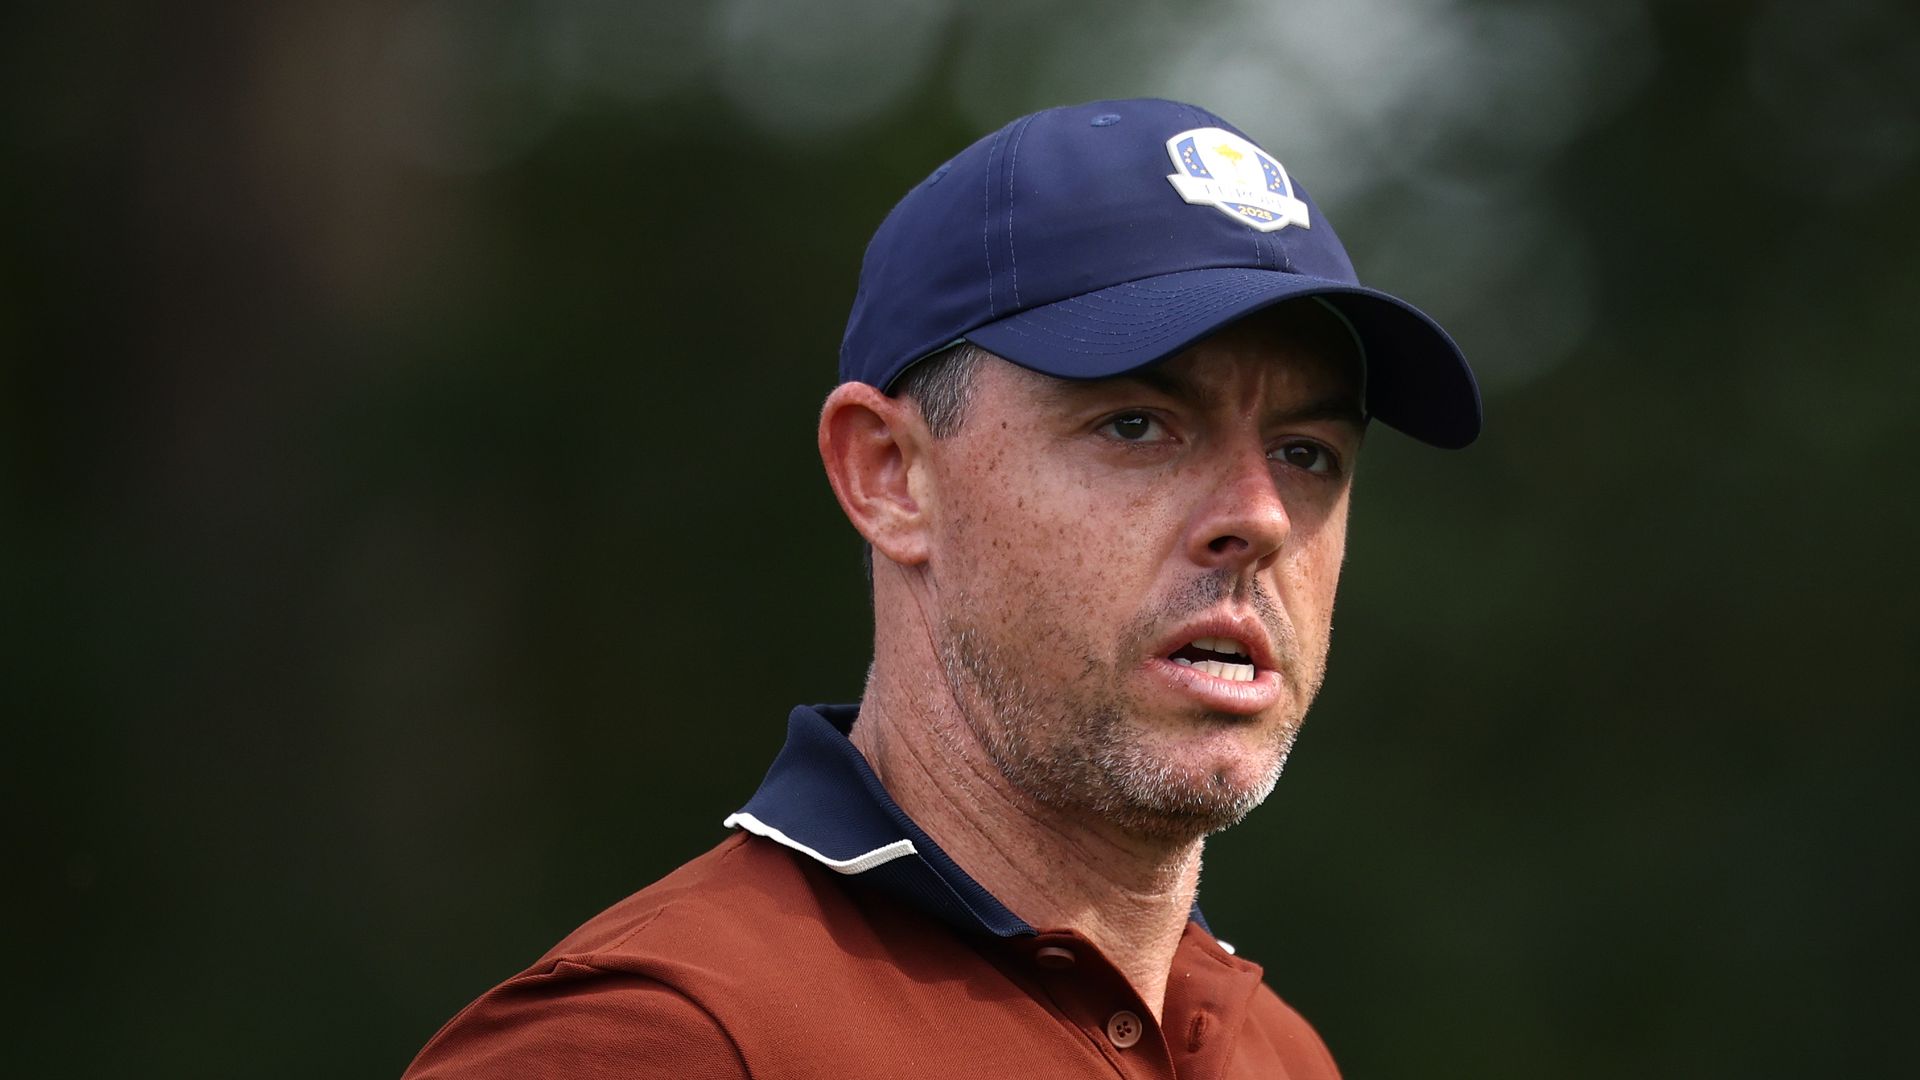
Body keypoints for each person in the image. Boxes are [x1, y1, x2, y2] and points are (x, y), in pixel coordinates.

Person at [403, 97, 1480, 1079]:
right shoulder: (653, 1044)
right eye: (1138, 425)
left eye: (1307, 453)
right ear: (889, 475)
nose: (1259, 514)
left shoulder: (1282, 1059)